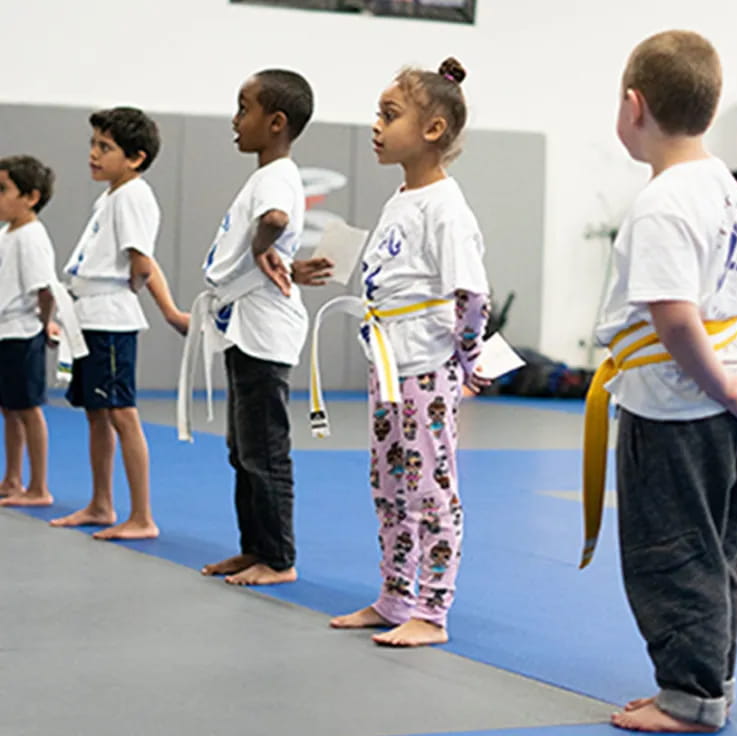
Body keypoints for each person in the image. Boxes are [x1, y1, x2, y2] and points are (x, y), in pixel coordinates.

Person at [582, 30, 737, 733]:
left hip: (678, 406)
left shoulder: (664, 203)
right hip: (724, 398)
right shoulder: (729, 193)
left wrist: (724, 386)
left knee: (669, 552)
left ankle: (690, 697)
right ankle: (709, 683)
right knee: (716, 547)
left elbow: (675, 320)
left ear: (633, 106)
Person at [295, 57, 491, 647]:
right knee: (388, 483)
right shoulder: (401, 200)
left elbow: (471, 293)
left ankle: (432, 610)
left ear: (433, 129)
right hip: (389, 367)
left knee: (430, 488)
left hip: (426, 370)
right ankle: (394, 595)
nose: (375, 127)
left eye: (389, 115)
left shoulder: (447, 208)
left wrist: (470, 357)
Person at [195, 69, 331, 586]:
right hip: (246, 325)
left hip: (264, 332)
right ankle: (254, 548)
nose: (235, 119)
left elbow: (273, 220)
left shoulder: (276, 177)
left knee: (265, 451)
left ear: (276, 122)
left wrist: (259, 246)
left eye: (243, 108)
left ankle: (278, 559)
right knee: (244, 449)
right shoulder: (268, 174)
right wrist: (274, 258)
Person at [50, 107, 163, 540]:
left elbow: (142, 263)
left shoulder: (133, 195)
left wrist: (167, 310)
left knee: (121, 412)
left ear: (135, 157)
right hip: (89, 315)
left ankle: (142, 515)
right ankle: (101, 503)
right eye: (93, 145)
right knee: (97, 413)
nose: (94, 154)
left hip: (111, 316)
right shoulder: (112, 195)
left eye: (105, 147)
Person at [0, 156, 57, 508]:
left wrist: (44, 321)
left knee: (28, 408)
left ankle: (38, 485)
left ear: (31, 197)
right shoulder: (7, 232)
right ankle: (13, 476)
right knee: (9, 407)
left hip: (23, 331)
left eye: (3, 190)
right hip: (5, 331)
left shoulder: (32, 236)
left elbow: (44, 290)